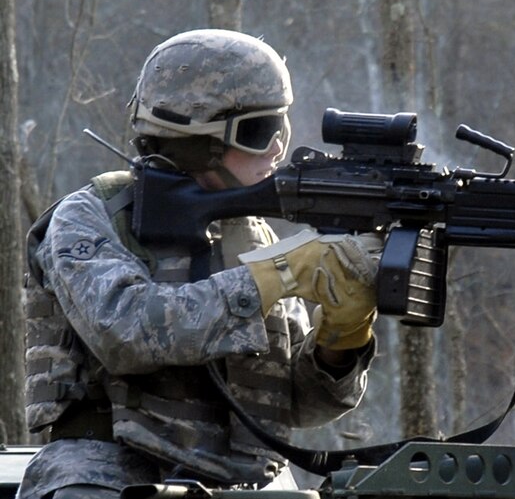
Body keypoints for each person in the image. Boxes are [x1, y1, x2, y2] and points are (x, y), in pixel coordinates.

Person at [17, 29, 381, 499]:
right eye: (258, 131)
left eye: (282, 127)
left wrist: (342, 340)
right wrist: (278, 276)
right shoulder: (91, 216)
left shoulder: (252, 233)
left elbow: (294, 405)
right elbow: (123, 330)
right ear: (196, 138)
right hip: (110, 474)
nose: (277, 148)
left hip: (248, 481)